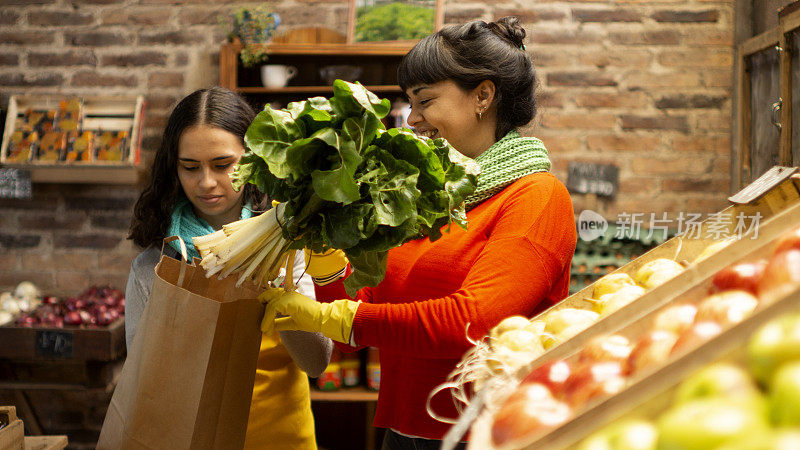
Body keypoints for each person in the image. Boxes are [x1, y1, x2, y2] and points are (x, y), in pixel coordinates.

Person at [261, 17, 577, 449]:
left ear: (483, 95)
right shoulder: (433, 199)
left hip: (488, 434)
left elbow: (471, 322)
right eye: (409, 103)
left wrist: (340, 319)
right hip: (401, 431)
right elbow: (356, 328)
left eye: (425, 101)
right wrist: (323, 256)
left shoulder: (538, 198)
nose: (413, 119)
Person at [125, 86, 332, 449]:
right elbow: (142, 384)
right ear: (173, 169)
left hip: (281, 438)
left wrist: (278, 298)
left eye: (223, 165)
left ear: (252, 160)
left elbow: (316, 363)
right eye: (190, 167)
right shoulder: (156, 265)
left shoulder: (286, 244)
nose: (206, 182)